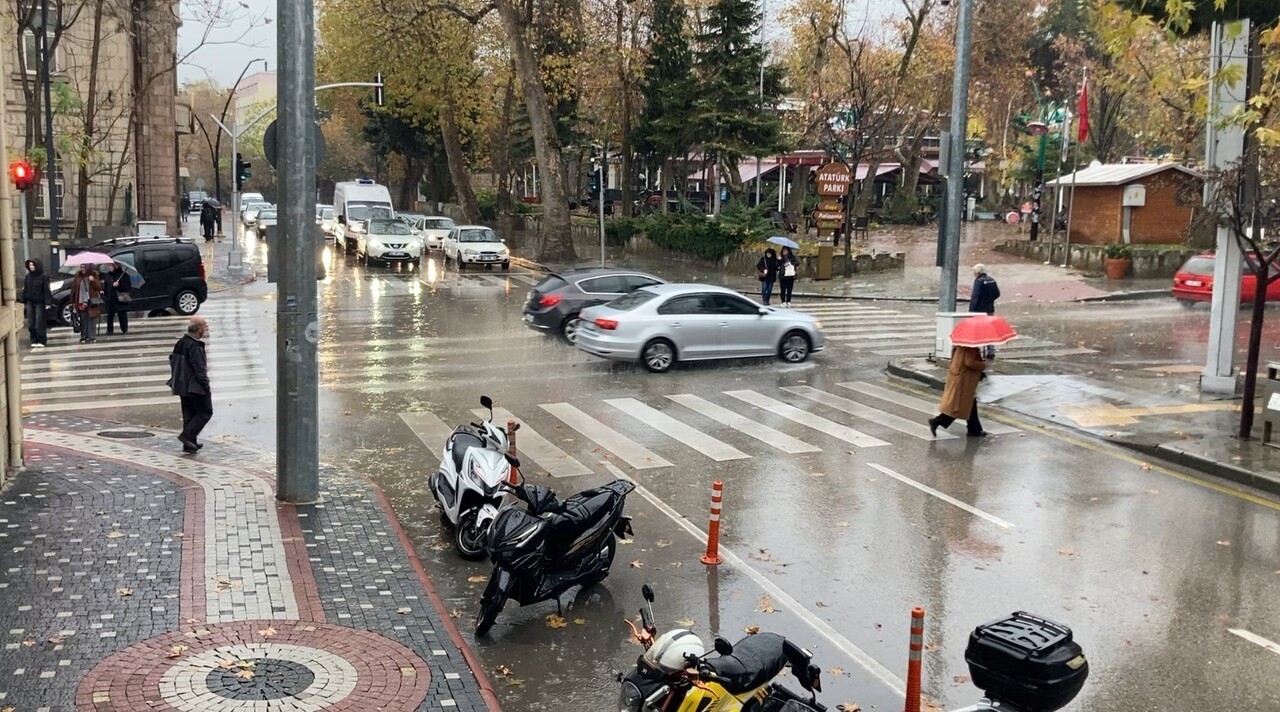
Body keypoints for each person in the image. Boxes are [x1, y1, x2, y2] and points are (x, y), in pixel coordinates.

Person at [169, 317, 212, 453]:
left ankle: (189, 443)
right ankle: (187, 436)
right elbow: (199, 369)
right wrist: (206, 385)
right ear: (198, 329)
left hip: (181, 385)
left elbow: (172, 360)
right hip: (194, 386)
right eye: (205, 327)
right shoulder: (195, 346)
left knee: (190, 413)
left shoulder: (181, 342)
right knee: (205, 411)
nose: (206, 330)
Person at [928, 345, 987, 438]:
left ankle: (974, 429)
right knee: (959, 406)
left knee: (968, 404)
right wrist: (983, 364)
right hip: (964, 381)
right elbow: (970, 362)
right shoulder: (970, 347)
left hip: (959, 378)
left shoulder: (960, 346)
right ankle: (937, 421)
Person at [969, 264, 1000, 358]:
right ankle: (991, 351)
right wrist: (989, 300)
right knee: (989, 329)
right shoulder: (991, 280)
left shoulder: (979, 281)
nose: (973, 274)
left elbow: (975, 296)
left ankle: (975, 350)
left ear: (978, 273)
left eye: (974, 272)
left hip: (979, 310)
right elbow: (997, 294)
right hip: (989, 309)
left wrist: (971, 310)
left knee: (977, 330)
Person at [18, 259, 51, 348]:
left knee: (39, 321)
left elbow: (46, 290)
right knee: (31, 322)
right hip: (30, 301)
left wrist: (48, 302)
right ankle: (34, 339)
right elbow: (25, 288)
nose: (31, 267)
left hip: (40, 302)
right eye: (30, 265)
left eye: (33, 265)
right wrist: (22, 299)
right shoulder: (28, 276)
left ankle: (41, 340)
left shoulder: (43, 276)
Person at [71, 264, 102, 343]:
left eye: (84, 267)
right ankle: (84, 336)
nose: (82, 269)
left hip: (91, 301)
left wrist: (93, 281)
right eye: (81, 267)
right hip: (81, 301)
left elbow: (99, 287)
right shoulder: (78, 276)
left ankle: (92, 336)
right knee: (83, 319)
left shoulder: (94, 275)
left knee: (92, 318)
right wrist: (73, 301)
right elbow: (74, 289)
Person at [105, 263, 132, 335]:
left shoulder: (123, 275)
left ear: (116, 266)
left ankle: (124, 329)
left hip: (120, 298)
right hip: (110, 298)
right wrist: (103, 291)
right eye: (108, 266)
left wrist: (119, 285)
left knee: (122, 315)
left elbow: (127, 287)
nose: (109, 267)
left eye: (111, 266)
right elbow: (106, 286)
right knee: (110, 315)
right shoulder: (108, 275)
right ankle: (109, 330)